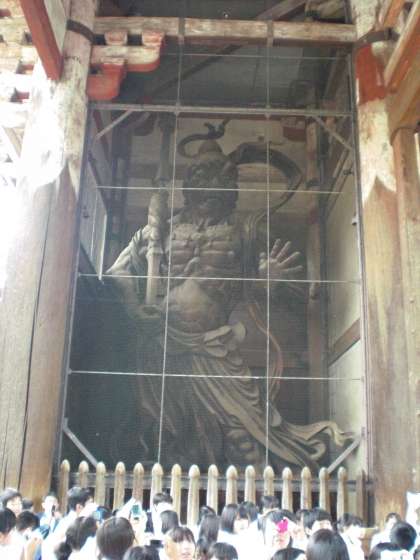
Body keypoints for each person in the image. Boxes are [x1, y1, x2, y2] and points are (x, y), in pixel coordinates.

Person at [108, 127, 350, 471]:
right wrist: (135, 309)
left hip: (215, 347)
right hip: (160, 342)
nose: (211, 187)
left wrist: (269, 282)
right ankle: (170, 495)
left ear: (232, 189)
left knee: (242, 430)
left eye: (221, 180)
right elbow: (117, 271)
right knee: (168, 433)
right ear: (189, 186)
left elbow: (289, 292)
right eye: (202, 177)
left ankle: (259, 497)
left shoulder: (245, 233)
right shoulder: (159, 230)